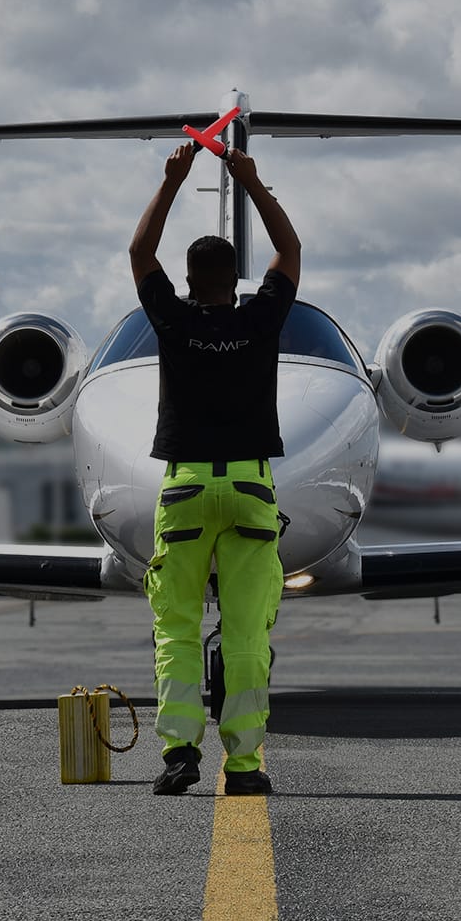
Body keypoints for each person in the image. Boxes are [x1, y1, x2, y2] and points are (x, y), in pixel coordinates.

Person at [129, 143, 301, 796]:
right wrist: (250, 180)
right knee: (244, 633)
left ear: (190, 280)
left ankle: (179, 756)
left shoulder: (171, 320)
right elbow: (290, 252)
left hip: (187, 487)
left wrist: (171, 181)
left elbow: (140, 254)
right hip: (252, 489)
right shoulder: (262, 319)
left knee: (175, 625)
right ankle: (245, 766)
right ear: (236, 281)